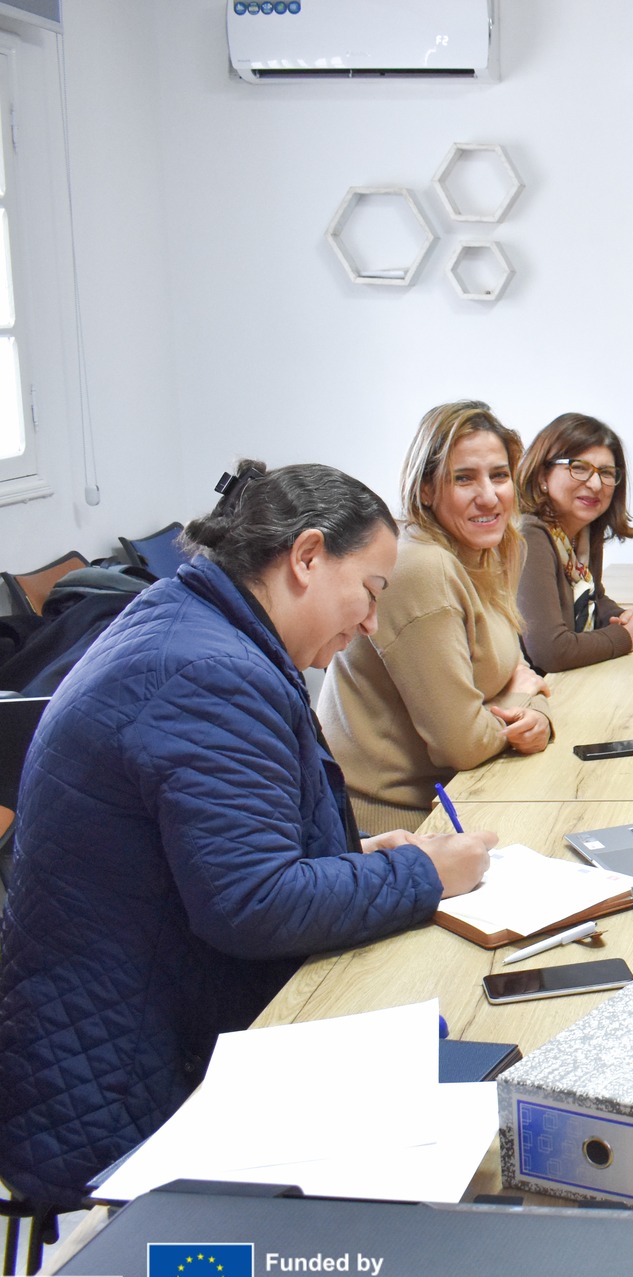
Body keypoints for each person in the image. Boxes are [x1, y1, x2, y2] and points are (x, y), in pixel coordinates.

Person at [0, 462, 496, 1210]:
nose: (370, 622)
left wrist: (352, 858)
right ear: (307, 556)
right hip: (124, 1079)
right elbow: (252, 902)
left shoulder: (192, 620)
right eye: (370, 591)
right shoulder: (209, 671)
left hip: (118, 1026)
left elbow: (213, 850)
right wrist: (427, 875)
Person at [319, 401, 554, 835]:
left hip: (463, 794)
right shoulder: (422, 567)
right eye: (463, 478)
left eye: (499, 475)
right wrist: (522, 702)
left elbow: (519, 670)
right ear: (426, 489)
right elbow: (462, 744)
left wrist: (535, 711)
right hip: (397, 825)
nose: (489, 496)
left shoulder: (489, 550)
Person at [514, 412, 633, 671]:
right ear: (542, 476)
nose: (595, 484)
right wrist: (628, 636)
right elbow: (551, 652)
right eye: (579, 468)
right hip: (530, 691)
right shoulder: (530, 535)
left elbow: (594, 600)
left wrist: (625, 618)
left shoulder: (582, 531)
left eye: (606, 472)